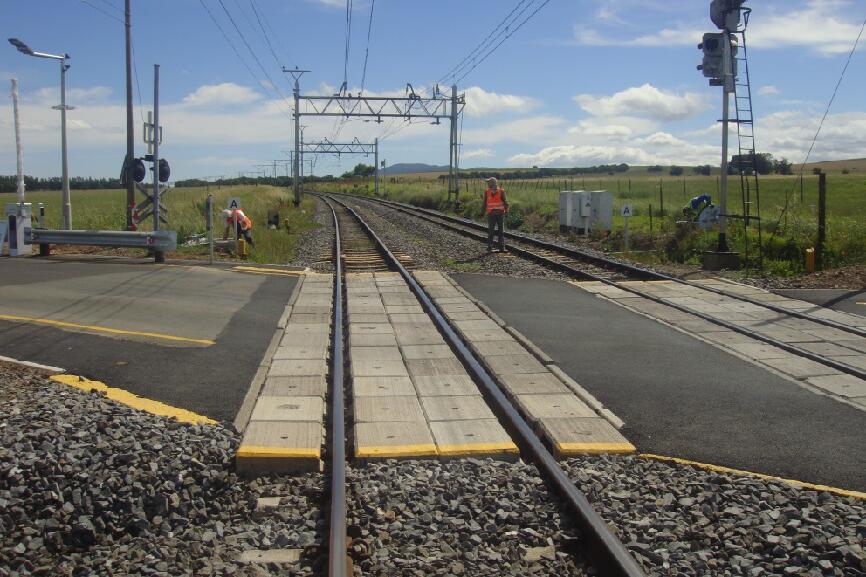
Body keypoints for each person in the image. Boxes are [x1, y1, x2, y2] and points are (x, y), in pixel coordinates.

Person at [482, 177, 508, 252]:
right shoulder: (501, 191)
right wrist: (506, 211)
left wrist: (482, 212)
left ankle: (490, 247)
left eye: (488, 182)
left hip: (492, 214)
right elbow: (506, 202)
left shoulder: (487, 191)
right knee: (501, 231)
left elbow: (484, 203)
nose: (487, 183)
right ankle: (501, 247)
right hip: (499, 214)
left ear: (492, 183)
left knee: (491, 231)